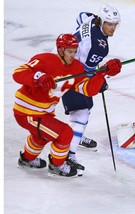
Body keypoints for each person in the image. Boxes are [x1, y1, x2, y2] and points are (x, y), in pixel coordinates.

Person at [13, 33, 121, 177]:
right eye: (69, 51)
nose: (73, 55)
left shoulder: (76, 67)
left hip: (43, 113)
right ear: (60, 50)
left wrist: (103, 74)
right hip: (27, 112)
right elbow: (18, 73)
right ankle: (57, 166)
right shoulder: (45, 60)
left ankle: (27, 159)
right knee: (65, 133)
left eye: (75, 52)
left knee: (40, 136)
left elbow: (87, 89)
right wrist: (38, 77)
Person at [61, 4, 121, 171]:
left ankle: (77, 137)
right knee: (80, 112)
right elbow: (85, 74)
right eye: (109, 24)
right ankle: (67, 155)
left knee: (87, 107)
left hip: (66, 63)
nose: (113, 28)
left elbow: (80, 16)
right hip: (68, 74)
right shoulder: (98, 47)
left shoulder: (91, 19)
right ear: (101, 22)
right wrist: (102, 76)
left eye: (115, 24)